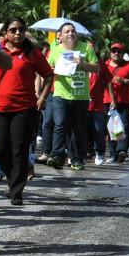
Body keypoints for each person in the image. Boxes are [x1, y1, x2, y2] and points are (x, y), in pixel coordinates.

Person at [0, 18, 53, 205]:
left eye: (21, 30)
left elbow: (49, 75)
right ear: (5, 33)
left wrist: (42, 98)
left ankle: (17, 191)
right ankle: (13, 179)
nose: (17, 33)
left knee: (18, 150)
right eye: (13, 30)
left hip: (24, 108)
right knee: (1, 150)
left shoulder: (31, 53)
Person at [46, 23, 98, 170]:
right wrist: (53, 71)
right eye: (67, 31)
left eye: (73, 31)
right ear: (60, 36)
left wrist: (83, 63)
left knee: (78, 129)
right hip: (61, 94)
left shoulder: (86, 48)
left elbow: (96, 68)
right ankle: (57, 156)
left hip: (80, 96)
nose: (70, 33)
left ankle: (76, 159)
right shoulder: (55, 50)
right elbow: (47, 69)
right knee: (60, 124)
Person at [103, 43, 129, 162]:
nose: (116, 53)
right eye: (114, 51)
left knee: (123, 126)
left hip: (124, 101)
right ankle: (113, 155)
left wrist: (124, 81)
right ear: (110, 53)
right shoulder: (105, 65)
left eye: (119, 51)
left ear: (122, 53)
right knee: (112, 128)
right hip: (108, 101)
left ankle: (121, 150)